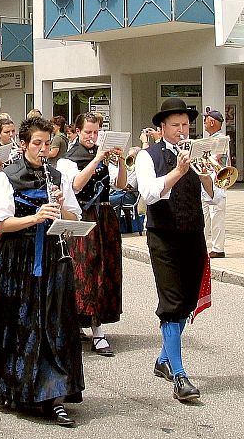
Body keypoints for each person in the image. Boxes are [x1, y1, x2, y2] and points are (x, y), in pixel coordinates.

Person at [0, 116, 84, 426]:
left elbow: (73, 218)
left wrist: (62, 206)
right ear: (23, 145)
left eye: (47, 144)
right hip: (19, 258)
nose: (43, 149)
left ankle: (54, 395)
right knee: (21, 322)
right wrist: (36, 217)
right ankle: (17, 388)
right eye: (36, 144)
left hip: (54, 256)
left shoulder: (57, 175)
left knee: (55, 322)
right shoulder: (7, 177)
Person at [134, 97, 224, 402]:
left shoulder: (195, 156)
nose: (182, 130)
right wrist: (177, 171)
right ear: (162, 127)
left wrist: (205, 174)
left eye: (186, 125)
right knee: (171, 303)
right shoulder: (148, 156)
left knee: (186, 302)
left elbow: (214, 198)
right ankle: (180, 376)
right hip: (163, 237)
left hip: (193, 234)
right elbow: (148, 193)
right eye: (176, 125)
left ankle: (163, 359)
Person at [57, 112, 126, 356]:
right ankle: (86, 326)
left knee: (106, 270)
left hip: (105, 217)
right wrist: (97, 158)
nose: (92, 136)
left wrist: (123, 162)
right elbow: (76, 185)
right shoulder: (67, 159)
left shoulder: (104, 154)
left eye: (96, 132)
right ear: (77, 131)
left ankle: (97, 326)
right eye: (88, 132)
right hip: (83, 216)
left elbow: (120, 185)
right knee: (85, 272)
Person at [202, 108, 227, 258]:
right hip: (207, 179)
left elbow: (215, 158)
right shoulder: (211, 138)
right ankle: (202, 244)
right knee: (205, 214)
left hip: (217, 180)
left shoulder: (221, 139)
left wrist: (203, 157)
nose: (204, 123)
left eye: (205, 120)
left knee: (216, 215)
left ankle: (218, 249)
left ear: (212, 122)